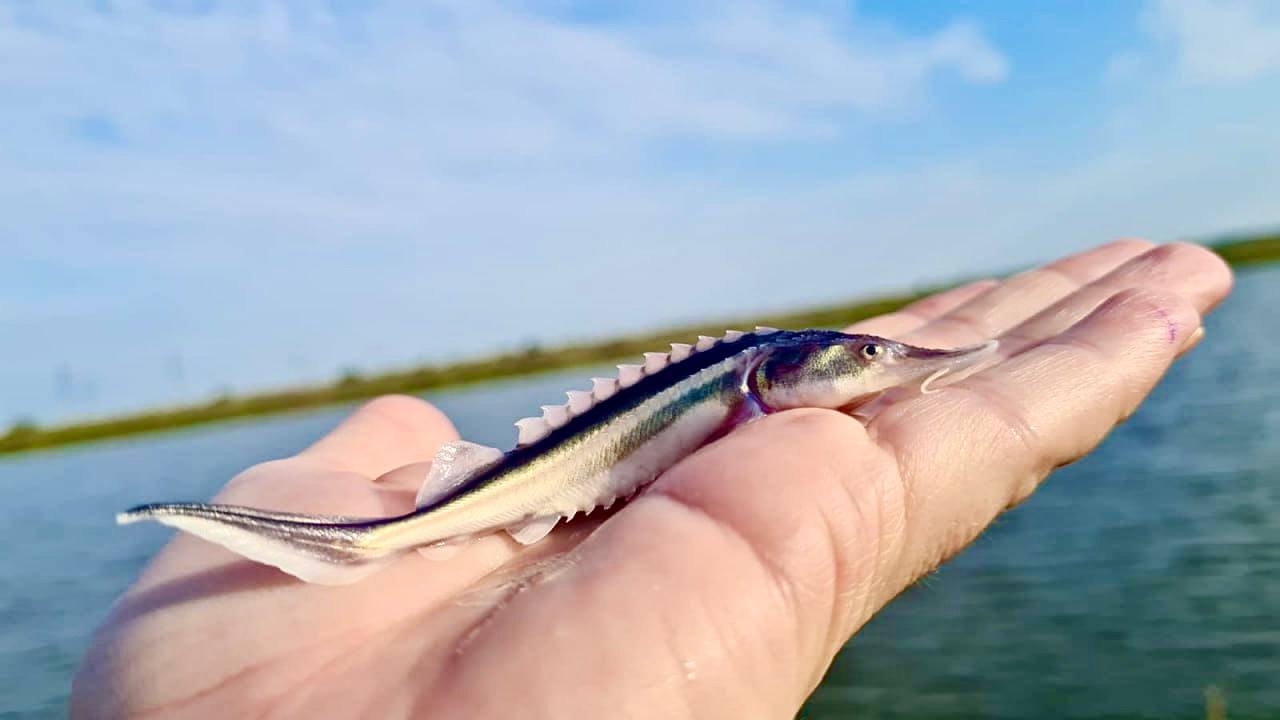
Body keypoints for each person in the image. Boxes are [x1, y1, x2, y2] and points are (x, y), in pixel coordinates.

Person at [71, 240, 1232, 719]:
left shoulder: (757, 379)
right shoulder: (749, 385)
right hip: (510, 491)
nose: (880, 373)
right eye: (864, 361)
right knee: (417, 523)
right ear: (784, 377)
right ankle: (362, 546)